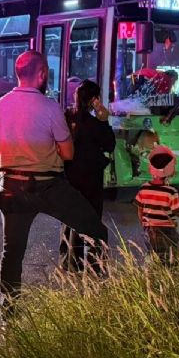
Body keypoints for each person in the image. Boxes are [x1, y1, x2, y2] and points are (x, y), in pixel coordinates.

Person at [0, 50, 106, 316]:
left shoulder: (1, 105)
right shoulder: (49, 107)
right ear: (42, 74)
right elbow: (68, 153)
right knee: (96, 231)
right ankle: (99, 296)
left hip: (9, 186)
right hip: (47, 186)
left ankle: (8, 315)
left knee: (12, 252)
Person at [59, 80, 116, 272]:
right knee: (92, 219)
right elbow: (109, 145)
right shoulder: (95, 123)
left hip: (69, 176)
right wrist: (104, 119)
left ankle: (69, 262)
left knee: (70, 217)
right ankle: (93, 264)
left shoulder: (66, 117)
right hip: (91, 177)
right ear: (94, 100)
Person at [135, 145, 179, 266]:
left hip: (149, 229)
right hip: (167, 230)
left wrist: (145, 223)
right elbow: (178, 212)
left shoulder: (143, 188)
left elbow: (140, 209)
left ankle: (150, 277)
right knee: (169, 259)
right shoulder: (171, 191)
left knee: (152, 254)